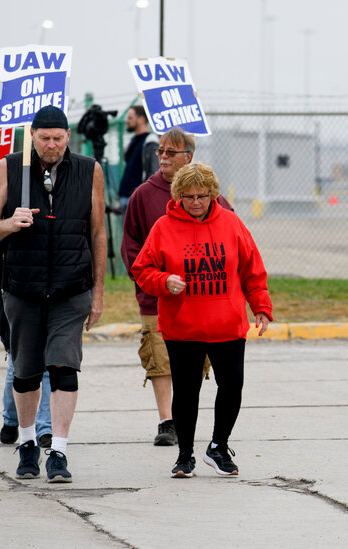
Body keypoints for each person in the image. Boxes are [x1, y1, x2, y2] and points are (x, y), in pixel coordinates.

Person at [0, 105, 107, 483]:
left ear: (68, 136)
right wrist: (11, 222)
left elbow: (98, 233)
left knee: (65, 368)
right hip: (23, 287)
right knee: (25, 372)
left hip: (72, 288)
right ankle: (26, 445)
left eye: (58, 138)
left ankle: (59, 452)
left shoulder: (89, 170)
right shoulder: (10, 167)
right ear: (32, 135)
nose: (51, 145)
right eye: (44, 138)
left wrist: (98, 293)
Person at [131, 161, 272, 479]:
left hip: (227, 323)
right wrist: (165, 281)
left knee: (232, 385)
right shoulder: (164, 227)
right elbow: (143, 270)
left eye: (202, 196)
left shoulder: (231, 224)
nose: (195, 202)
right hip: (183, 325)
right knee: (186, 390)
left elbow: (251, 269)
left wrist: (261, 307)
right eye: (189, 196)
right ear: (178, 195)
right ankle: (185, 456)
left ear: (213, 194)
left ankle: (218, 447)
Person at [121, 128, 234, 446]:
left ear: (189, 157)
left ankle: (186, 415)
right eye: (160, 151)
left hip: (200, 301)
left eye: (172, 152)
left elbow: (229, 235)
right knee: (159, 358)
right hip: (155, 297)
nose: (164, 157)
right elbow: (131, 244)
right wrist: (147, 281)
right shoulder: (144, 194)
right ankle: (166, 421)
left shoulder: (209, 196)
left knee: (192, 361)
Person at [0, 236, 52, 448]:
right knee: (18, 368)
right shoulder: (8, 227)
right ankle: (11, 420)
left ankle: (45, 428)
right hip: (16, 311)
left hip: (50, 304)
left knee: (48, 368)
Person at [118, 105, 160, 211]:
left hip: (138, 198)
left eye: (130, 118)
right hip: (125, 196)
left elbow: (153, 170)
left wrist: (144, 194)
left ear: (141, 119)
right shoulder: (132, 141)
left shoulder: (151, 141)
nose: (127, 121)